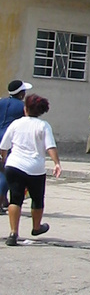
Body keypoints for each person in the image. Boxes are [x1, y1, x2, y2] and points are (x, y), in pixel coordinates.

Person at [1, 93, 61, 245]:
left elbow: (4, 146)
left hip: (14, 165)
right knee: (37, 198)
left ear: (25, 109)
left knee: (15, 198)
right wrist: (56, 163)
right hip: (35, 168)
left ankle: (13, 233)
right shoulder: (43, 125)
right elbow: (50, 146)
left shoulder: (16, 124)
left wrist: (4, 160)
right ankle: (36, 227)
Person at [0, 79, 30, 212]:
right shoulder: (23, 107)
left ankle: (4, 199)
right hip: (11, 140)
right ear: (21, 93)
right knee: (7, 172)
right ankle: (1, 199)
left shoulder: (1, 102)